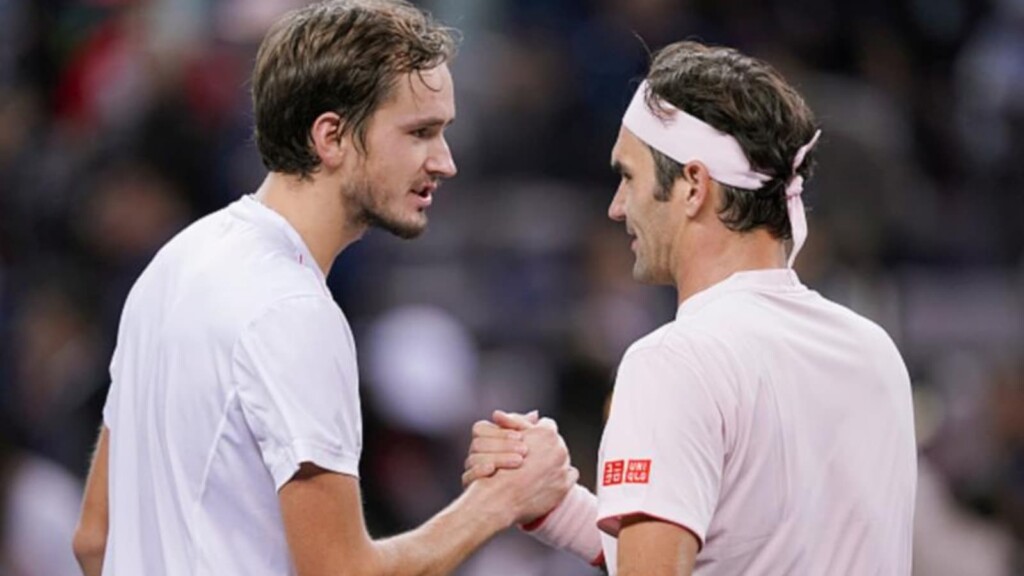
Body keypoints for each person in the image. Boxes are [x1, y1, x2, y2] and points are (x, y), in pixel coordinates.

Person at [71, 1, 577, 575]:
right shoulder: (293, 311)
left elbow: (95, 538)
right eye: (420, 132)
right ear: (331, 136)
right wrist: (498, 501)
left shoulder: (174, 262)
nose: (445, 161)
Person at [465, 40, 917, 575]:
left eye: (628, 177)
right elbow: (744, 546)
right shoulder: (874, 350)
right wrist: (560, 507)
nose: (616, 207)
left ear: (694, 187)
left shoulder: (672, 362)